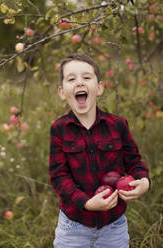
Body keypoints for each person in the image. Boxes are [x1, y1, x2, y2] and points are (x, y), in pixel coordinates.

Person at [49, 53, 150, 248]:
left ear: (100, 87)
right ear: (62, 92)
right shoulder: (59, 129)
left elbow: (134, 162)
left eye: (86, 77)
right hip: (73, 225)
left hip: (113, 226)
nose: (79, 83)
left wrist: (144, 181)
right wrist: (86, 203)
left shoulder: (118, 125)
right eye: (72, 79)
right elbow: (58, 176)